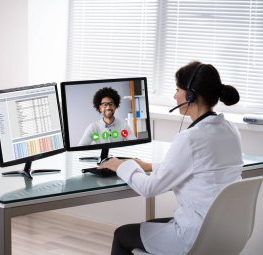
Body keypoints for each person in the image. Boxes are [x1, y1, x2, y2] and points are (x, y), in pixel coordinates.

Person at [99, 61, 243, 255]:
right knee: (148, 226)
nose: (175, 96)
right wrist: (149, 165)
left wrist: (120, 166)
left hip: (195, 235)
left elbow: (149, 189)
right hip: (227, 232)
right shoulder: (230, 129)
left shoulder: (190, 138)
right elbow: (198, 167)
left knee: (122, 235)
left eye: (177, 89)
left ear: (190, 95)